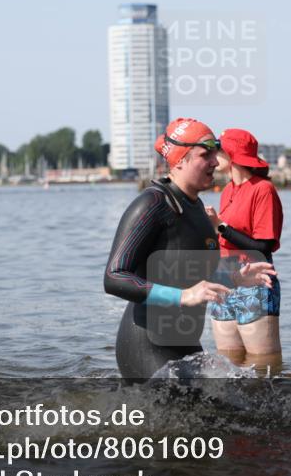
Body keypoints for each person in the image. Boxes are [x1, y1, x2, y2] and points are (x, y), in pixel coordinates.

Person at [104, 118, 276, 381]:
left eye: (215, 155)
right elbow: (114, 278)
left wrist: (234, 277)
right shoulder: (152, 205)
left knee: (234, 410)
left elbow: (190, 272)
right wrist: (182, 296)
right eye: (205, 155)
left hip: (184, 341)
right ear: (180, 160)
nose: (216, 163)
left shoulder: (195, 208)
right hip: (147, 344)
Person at [204, 129, 284, 368]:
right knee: (229, 365)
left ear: (233, 154)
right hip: (223, 280)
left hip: (254, 282)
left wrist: (219, 226)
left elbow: (264, 246)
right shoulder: (227, 190)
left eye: (218, 150)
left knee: (264, 365)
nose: (213, 155)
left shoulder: (263, 189)